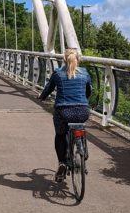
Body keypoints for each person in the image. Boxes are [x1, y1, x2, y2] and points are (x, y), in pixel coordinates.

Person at [39, 48, 91, 181]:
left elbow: (48, 89)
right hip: (82, 111)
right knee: (79, 126)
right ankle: (82, 147)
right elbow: (88, 91)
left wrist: (41, 97)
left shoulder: (57, 73)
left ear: (64, 59)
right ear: (78, 59)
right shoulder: (84, 73)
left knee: (60, 134)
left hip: (63, 111)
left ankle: (62, 163)